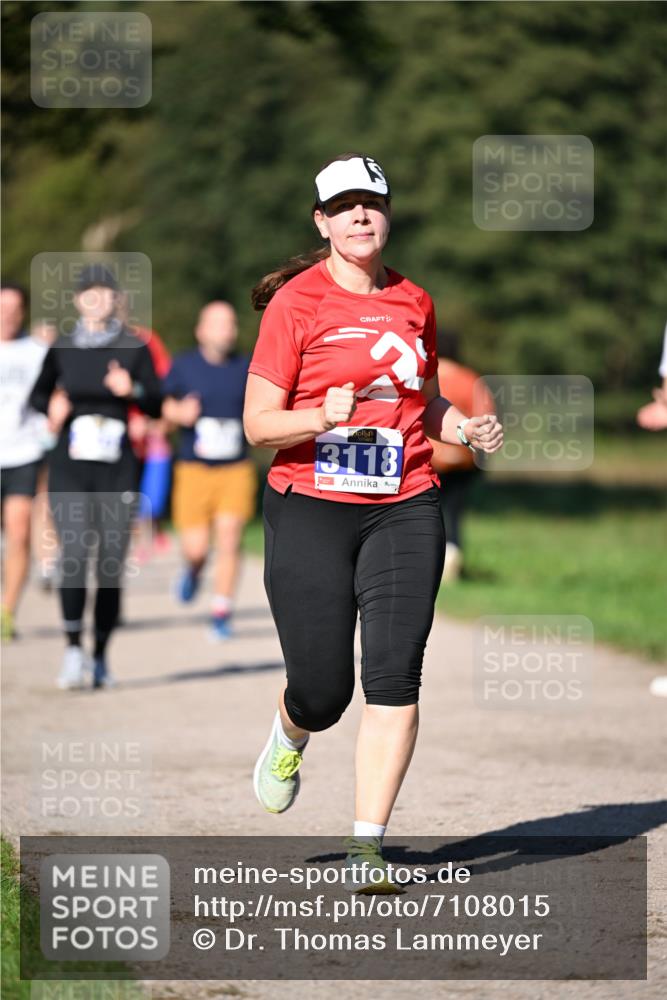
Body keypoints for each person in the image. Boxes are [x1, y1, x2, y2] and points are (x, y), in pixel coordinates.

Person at [244, 153, 503, 892]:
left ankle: (368, 847)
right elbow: (257, 424)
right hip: (310, 507)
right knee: (324, 692)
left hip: (405, 504)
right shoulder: (296, 304)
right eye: (344, 205)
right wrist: (317, 416)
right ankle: (290, 729)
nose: (361, 215)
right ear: (322, 222)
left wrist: (463, 427)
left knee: (394, 676)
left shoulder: (414, 301)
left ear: (387, 215)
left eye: (372, 203)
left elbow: (422, 401)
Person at [28, 264, 162, 689]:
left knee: (109, 562)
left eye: (105, 292)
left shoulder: (134, 346)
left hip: (117, 467)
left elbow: (158, 402)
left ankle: (100, 655)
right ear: (77, 300)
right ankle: (72, 649)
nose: (97, 299)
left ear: (116, 299)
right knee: (72, 556)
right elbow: (37, 394)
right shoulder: (63, 346)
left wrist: (132, 391)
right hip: (70, 464)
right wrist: (51, 407)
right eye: (89, 293)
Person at [162, 301, 257, 639]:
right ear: (200, 331)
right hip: (193, 469)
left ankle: (221, 612)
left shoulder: (246, 366)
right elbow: (162, 406)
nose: (226, 330)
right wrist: (178, 412)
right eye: (217, 323)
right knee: (197, 548)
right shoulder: (183, 365)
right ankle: (193, 570)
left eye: (230, 323)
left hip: (235, 468)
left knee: (230, 537)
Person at [0, 284, 49, 640]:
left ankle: (7, 611)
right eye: (2, 307)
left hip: (23, 453)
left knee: (18, 533)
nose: (7, 314)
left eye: (14, 308)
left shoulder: (38, 351)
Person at [430, 329, 496, 582]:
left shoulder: (424, 377)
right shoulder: (471, 379)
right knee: (454, 512)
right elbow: (486, 418)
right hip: (462, 460)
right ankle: (452, 553)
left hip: (429, 459)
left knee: (427, 512)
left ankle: (431, 560)